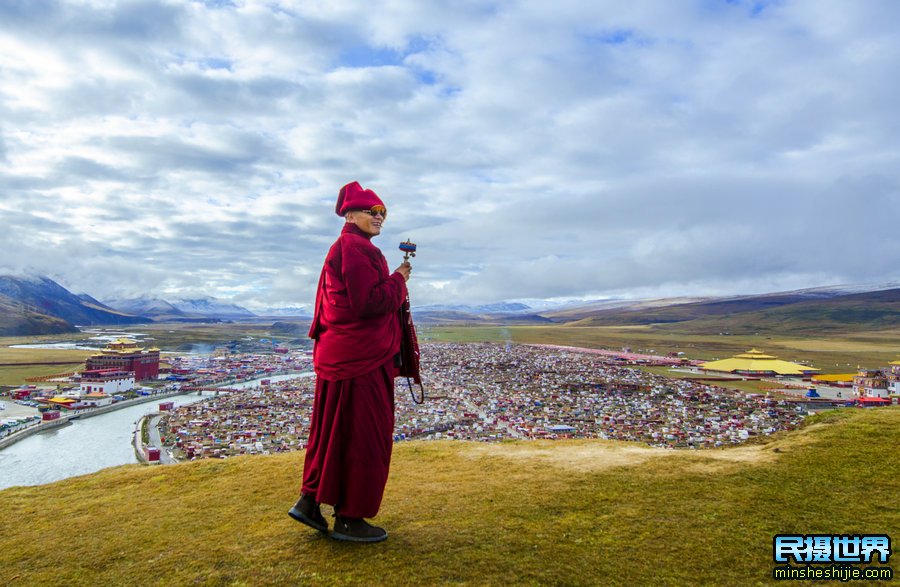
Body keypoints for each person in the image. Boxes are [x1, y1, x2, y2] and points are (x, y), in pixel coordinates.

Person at [288, 181, 411, 543]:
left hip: (339, 356)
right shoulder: (358, 249)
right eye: (371, 212)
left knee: (332, 432)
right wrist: (399, 280)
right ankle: (349, 517)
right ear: (350, 214)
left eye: (382, 214)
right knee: (364, 436)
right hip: (362, 359)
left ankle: (310, 501)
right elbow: (368, 304)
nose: (378, 218)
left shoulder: (341, 247)